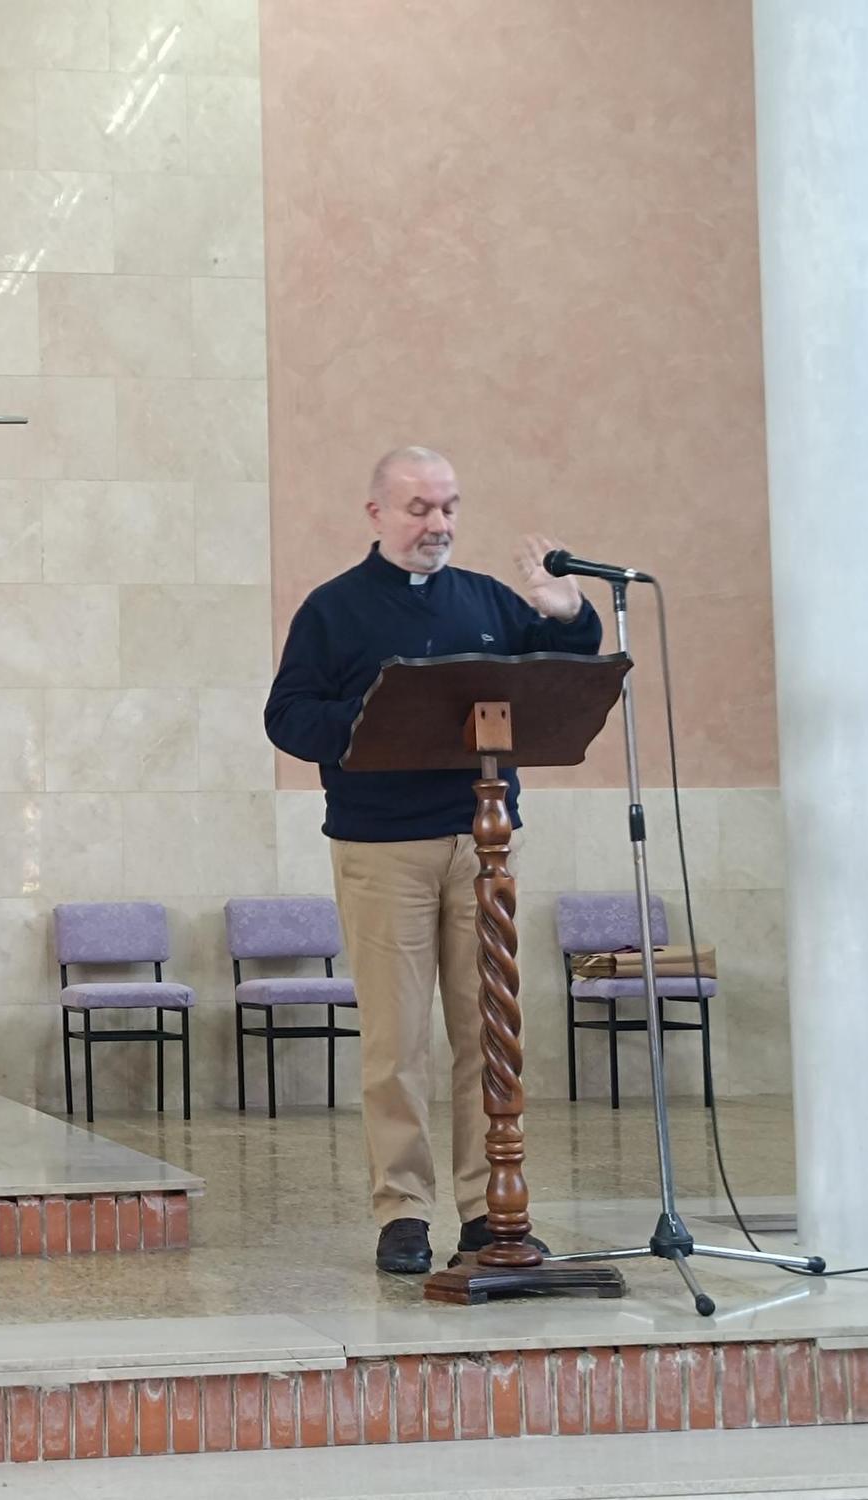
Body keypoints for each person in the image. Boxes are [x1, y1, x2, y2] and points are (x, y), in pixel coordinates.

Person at [264, 446, 603, 1275]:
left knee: (487, 1036)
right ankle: (403, 1210)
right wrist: (378, 716)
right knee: (396, 1042)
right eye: (419, 508)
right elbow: (288, 717)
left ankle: (491, 1209)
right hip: (384, 847)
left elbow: (564, 678)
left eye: (449, 507)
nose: (438, 524)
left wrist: (568, 615)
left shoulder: (487, 599)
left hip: (483, 842)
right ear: (376, 513)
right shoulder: (334, 610)